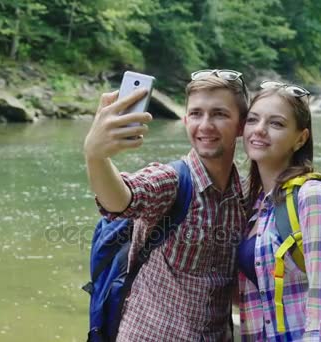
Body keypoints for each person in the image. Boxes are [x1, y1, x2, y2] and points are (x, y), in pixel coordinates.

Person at [84, 69, 249, 341]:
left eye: (219, 114)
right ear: (185, 120)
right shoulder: (171, 181)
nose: (205, 125)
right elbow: (120, 199)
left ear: (241, 126)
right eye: (196, 114)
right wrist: (96, 156)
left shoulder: (244, 195)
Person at [237, 81, 321, 341]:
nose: (259, 130)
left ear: (301, 138)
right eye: (253, 120)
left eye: (276, 124)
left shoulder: (313, 197)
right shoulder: (255, 204)